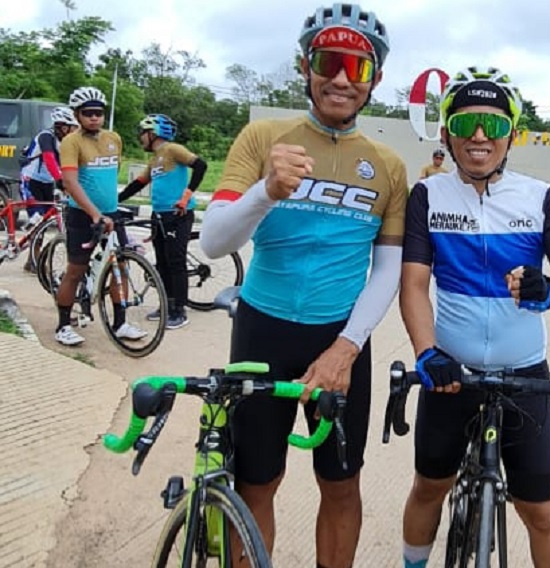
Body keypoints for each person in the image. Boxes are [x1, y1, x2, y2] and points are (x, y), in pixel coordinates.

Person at [199, 4, 407, 567]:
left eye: (356, 67)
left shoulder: (387, 165)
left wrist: (346, 348)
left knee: (340, 484)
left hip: (340, 338)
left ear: (375, 79)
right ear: (304, 66)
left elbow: (387, 269)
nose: (341, 78)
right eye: (328, 61)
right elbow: (213, 241)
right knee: (256, 482)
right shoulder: (264, 137)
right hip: (261, 332)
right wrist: (266, 190)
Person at [400, 66, 550, 568]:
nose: (479, 136)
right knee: (428, 488)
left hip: (524, 374)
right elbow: (414, 284)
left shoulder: (542, 197)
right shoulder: (428, 196)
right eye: (465, 124)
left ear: (512, 135)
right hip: (449, 374)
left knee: (542, 514)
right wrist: (426, 352)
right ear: (447, 135)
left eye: (494, 125)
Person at [55, 86, 147, 346]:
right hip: (82, 214)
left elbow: (112, 173)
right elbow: (70, 182)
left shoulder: (113, 138)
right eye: (88, 113)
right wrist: (94, 213)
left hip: (110, 213)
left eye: (99, 112)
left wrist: (108, 209)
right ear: (77, 114)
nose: (94, 117)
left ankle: (120, 324)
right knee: (76, 270)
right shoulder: (71, 142)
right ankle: (63, 325)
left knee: (121, 266)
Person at [118, 114, 207, 330]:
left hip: (178, 215)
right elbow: (138, 184)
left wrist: (186, 196)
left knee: (176, 262)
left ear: (153, 133)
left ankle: (179, 311)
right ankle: (167, 305)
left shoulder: (173, 150)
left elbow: (201, 165)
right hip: (159, 216)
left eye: (142, 133)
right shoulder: (155, 159)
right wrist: (114, 201)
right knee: (163, 263)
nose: (140, 137)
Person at [19, 106, 79, 271]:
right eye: (71, 127)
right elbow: (49, 159)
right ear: (62, 126)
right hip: (30, 181)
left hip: (46, 183)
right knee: (38, 220)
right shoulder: (46, 136)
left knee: (46, 220)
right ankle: (33, 260)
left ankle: (32, 259)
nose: (73, 131)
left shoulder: (64, 142)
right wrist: (60, 180)